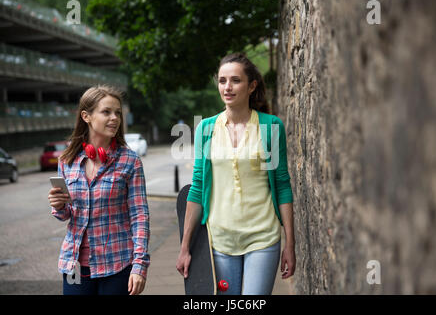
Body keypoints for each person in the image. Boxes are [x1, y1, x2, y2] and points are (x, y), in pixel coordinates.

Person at [176, 53, 296, 295]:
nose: (227, 87)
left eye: (235, 81)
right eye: (222, 81)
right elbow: (198, 187)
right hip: (220, 241)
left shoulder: (271, 127)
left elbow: (282, 185)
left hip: (263, 237)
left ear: (251, 86)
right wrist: (185, 246)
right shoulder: (206, 129)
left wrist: (290, 244)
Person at [48, 85, 150, 295]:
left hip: (117, 265)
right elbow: (67, 214)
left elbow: (140, 216)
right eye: (106, 112)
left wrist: (139, 265)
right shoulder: (67, 160)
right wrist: (59, 206)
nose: (114, 118)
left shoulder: (130, 161)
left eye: (118, 113)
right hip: (74, 265)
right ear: (86, 116)